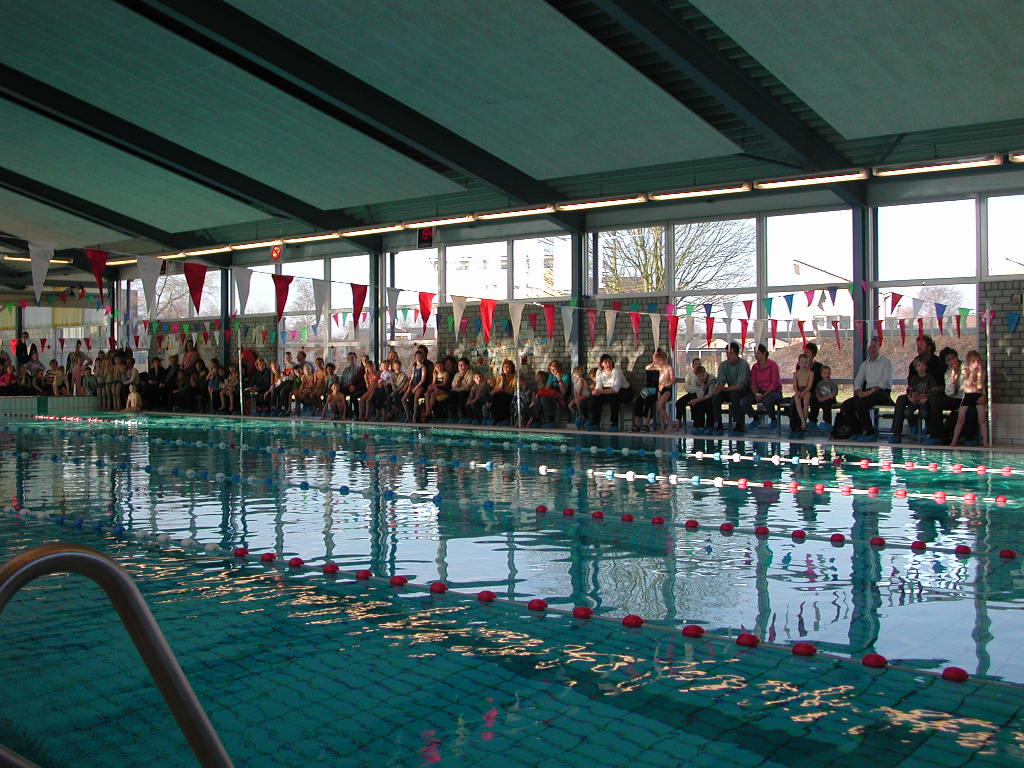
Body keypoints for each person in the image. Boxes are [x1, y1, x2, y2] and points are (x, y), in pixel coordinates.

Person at [836, 336, 893, 441]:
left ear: (879, 346)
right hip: (868, 393)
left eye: (874, 346)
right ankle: (857, 430)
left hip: (882, 393)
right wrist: (859, 391)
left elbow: (884, 382)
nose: (872, 349)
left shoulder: (886, 362)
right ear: (867, 349)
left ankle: (869, 432)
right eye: (870, 347)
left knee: (860, 403)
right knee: (846, 405)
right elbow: (858, 381)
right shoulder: (865, 364)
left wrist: (869, 392)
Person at [889, 355, 938, 443]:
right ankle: (912, 425)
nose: (921, 367)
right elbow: (910, 389)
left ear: (926, 367)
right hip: (915, 400)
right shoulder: (914, 378)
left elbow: (934, 389)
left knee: (924, 412)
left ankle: (928, 427)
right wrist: (911, 396)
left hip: (924, 400)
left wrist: (927, 396)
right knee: (907, 411)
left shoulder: (929, 378)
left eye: (923, 365)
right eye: (919, 365)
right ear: (916, 368)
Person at [710, 341, 751, 435]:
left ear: (737, 354)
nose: (728, 356)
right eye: (727, 353)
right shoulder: (723, 365)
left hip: (743, 391)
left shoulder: (743, 365)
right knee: (716, 396)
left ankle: (739, 424)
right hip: (730, 390)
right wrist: (717, 388)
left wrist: (724, 389)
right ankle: (718, 424)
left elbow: (740, 385)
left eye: (731, 353)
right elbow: (721, 380)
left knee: (735, 394)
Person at [925, 348, 963, 445]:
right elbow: (950, 393)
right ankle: (936, 435)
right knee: (934, 400)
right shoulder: (948, 373)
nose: (952, 361)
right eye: (948, 360)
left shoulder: (965, 367)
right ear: (945, 363)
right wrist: (953, 378)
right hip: (955, 398)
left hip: (966, 398)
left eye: (953, 358)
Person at [951, 350, 988, 447]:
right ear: (969, 363)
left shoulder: (982, 372)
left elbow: (980, 387)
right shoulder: (965, 371)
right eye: (974, 361)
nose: (977, 363)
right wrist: (973, 373)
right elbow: (967, 384)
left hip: (977, 395)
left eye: (978, 361)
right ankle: (954, 440)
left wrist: (979, 374)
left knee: (982, 419)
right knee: (960, 419)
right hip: (968, 396)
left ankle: (985, 441)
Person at [741, 344, 782, 429]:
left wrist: (763, 395)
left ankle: (773, 419)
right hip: (760, 391)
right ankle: (755, 418)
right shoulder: (755, 367)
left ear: (764, 353)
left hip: (773, 392)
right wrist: (756, 394)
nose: (756, 355)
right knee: (743, 401)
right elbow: (753, 383)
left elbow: (774, 384)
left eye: (758, 353)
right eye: (755, 353)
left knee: (767, 400)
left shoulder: (772, 365)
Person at [588, 354, 630, 431]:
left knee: (613, 396)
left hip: (624, 392)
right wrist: (596, 391)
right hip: (608, 391)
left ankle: (614, 424)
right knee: (595, 398)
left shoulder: (617, 371)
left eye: (610, 361)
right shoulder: (599, 372)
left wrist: (599, 391)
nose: (608, 364)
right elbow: (599, 386)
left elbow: (615, 390)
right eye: (606, 362)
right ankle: (595, 423)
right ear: (602, 364)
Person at [644, 349, 674, 433]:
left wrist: (665, 385)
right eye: (657, 361)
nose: (659, 363)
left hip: (666, 389)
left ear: (664, 360)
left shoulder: (669, 367)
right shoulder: (657, 367)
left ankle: (670, 423)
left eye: (659, 361)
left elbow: (673, 380)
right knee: (661, 409)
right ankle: (662, 428)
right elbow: (647, 368)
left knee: (660, 407)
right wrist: (653, 362)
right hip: (659, 389)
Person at [673, 357, 701, 429]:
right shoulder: (689, 375)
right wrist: (696, 389)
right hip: (691, 394)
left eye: (699, 364)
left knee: (694, 402)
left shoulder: (703, 375)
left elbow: (702, 388)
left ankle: (696, 422)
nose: (698, 365)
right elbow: (687, 387)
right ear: (693, 365)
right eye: (696, 364)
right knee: (679, 402)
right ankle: (679, 422)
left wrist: (695, 389)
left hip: (700, 395)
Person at [688, 365, 717, 434]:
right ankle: (699, 426)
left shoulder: (712, 378)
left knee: (708, 403)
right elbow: (699, 395)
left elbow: (710, 395)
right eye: (698, 376)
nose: (701, 378)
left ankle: (710, 426)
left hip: (713, 397)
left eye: (702, 376)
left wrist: (696, 400)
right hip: (704, 396)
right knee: (699, 404)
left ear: (705, 373)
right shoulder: (697, 380)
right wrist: (702, 386)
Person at [489, 360, 517, 426]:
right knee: (496, 396)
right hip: (499, 395)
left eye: (507, 367)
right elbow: (497, 389)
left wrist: (502, 390)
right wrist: (502, 380)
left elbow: (511, 391)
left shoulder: (514, 378)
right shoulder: (500, 377)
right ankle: (495, 418)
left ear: (511, 368)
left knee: (501, 396)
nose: (505, 369)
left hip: (508, 396)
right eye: (504, 367)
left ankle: (503, 419)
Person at [792, 353, 814, 432]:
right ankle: (803, 421)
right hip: (799, 390)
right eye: (802, 362)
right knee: (797, 401)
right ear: (799, 363)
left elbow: (809, 386)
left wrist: (804, 392)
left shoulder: (811, 373)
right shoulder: (796, 373)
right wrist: (797, 392)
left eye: (806, 362)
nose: (804, 364)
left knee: (805, 402)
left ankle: (804, 420)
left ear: (808, 363)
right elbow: (794, 386)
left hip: (806, 390)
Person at [813, 365, 838, 430]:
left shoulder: (833, 383)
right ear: (821, 374)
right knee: (814, 404)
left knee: (827, 405)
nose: (827, 375)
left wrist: (823, 399)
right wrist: (819, 398)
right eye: (825, 373)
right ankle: (812, 421)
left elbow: (833, 394)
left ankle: (827, 422)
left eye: (828, 373)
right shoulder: (819, 383)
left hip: (830, 399)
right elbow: (817, 392)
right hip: (821, 399)